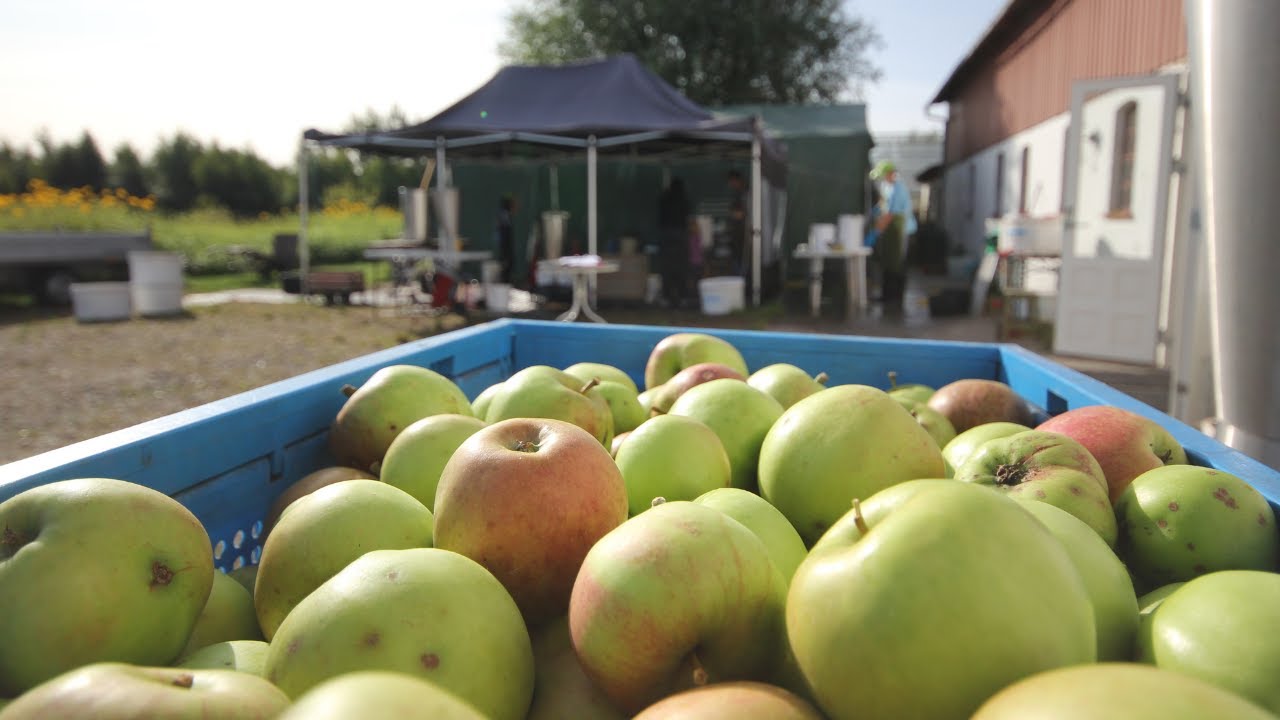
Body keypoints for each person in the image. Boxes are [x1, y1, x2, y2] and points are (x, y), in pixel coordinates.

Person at [869, 160, 917, 317]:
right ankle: (886, 296)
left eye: (883, 176)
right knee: (888, 262)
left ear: (890, 174)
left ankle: (896, 299)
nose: (882, 179)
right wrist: (874, 213)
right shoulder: (887, 188)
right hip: (891, 232)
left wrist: (874, 233)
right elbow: (883, 207)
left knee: (898, 264)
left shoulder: (899, 189)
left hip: (901, 231)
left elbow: (890, 215)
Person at [657, 177, 691, 307]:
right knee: (681, 267)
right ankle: (682, 297)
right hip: (681, 235)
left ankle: (666, 297)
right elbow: (687, 215)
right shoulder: (684, 199)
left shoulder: (664, 198)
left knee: (666, 268)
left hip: (665, 235)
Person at [494, 194, 517, 285]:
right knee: (506, 268)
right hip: (505, 250)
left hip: (506, 249)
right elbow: (504, 238)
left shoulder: (505, 217)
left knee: (507, 268)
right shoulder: (504, 219)